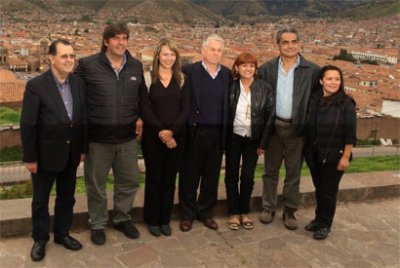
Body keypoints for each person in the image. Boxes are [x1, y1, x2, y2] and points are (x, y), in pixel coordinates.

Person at [75, 22, 145, 245]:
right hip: (98, 138)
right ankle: (97, 223)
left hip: (127, 138)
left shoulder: (135, 66)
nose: (121, 42)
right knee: (96, 185)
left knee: (129, 181)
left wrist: (141, 116)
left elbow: (141, 96)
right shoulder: (87, 65)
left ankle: (122, 218)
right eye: (116, 38)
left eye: (124, 38)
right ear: (106, 41)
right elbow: (77, 100)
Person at [20, 39, 87, 261]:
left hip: (71, 154)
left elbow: (82, 119)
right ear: (51, 59)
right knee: (40, 201)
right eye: (64, 56)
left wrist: (82, 149)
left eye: (72, 56)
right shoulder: (36, 86)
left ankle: (62, 234)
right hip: (44, 155)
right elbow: (28, 124)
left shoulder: (77, 83)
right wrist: (30, 158)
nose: (69, 60)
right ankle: (40, 239)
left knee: (67, 198)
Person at [258, 28, 320, 230]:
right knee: (270, 171)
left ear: (299, 43)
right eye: (285, 42)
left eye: (294, 41)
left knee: (293, 173)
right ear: (278, 45)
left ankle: (290, 210)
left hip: (298, 129)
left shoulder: (312, 70)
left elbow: (317, 101)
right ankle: (268, 207)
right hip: (274, 128)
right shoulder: (267, 69)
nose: (290, 45)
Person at [179, 34, 232, 232]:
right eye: (212, 49)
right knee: (189, 175)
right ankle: (187, 214)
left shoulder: (227, 74)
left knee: (211, 176)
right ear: (203, 50)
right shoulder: (189, 71)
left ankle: (205, 212)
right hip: (194, 131)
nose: (216, 53)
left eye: (219, 50)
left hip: (217, 133)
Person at [140, 39, 190, 237]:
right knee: (154, 179)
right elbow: (145, 108)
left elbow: (185, 109)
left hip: (177, 138)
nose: (168, 58)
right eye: (165, 54)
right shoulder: (147, 78)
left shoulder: (182, 79)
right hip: (153, 138)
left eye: (172, 54)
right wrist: (162, 132)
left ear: (176, 57)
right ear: (157, 56)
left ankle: (164, 219)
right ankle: (152, 219)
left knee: (170, 180)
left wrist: (172, 132)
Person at [304, 65, 356, 240]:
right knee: (320, 189)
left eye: (337, 79)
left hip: (335, 156)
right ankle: (318, 219)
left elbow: (350, 134)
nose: (333, 82)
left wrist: (345, 157)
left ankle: (325, 224)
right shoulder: (314, 100)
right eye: (329, 78)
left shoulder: (346, 104)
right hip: (315, 153)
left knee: (329, 191)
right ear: (321, 81)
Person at [225, 52, 274, 230]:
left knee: (247, 177)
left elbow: (270, 117)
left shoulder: (265, 88)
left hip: (253, 139)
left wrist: (264, 143)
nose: (248, 68)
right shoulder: (230, 87)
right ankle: (233, 212)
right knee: (231, 176)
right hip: (233, 138)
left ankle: (244, 211)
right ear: (237, 68)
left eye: (251, 65)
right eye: (244, 65)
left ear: (256, 69)